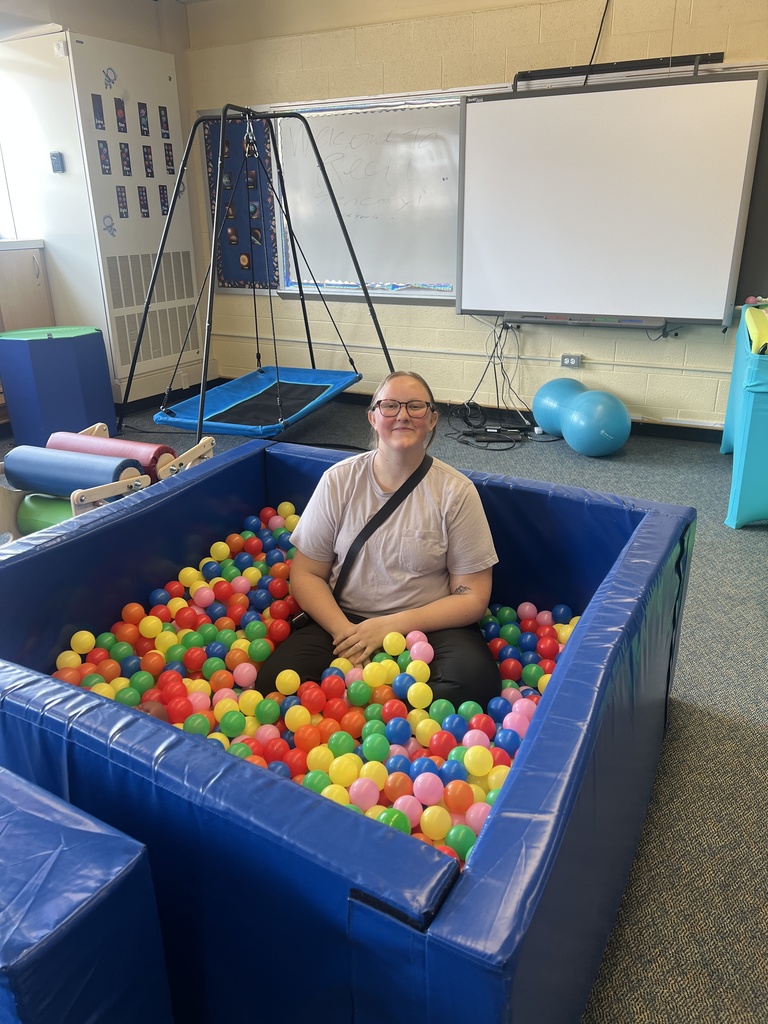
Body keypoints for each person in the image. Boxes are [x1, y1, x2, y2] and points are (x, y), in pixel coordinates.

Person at [255, 371, 502, 708]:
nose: (402, 415)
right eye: (389, 406)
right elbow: (306, 573)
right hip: (344, 621)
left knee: (473, 683)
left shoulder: (456, 492)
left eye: (415, 406)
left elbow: (471, 596)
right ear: (372, 417)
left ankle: (386, 725)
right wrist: (348, 635)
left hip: (427, 625)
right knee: (275, 682)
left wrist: (389, 627)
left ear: (432, 420)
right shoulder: (338, 481)